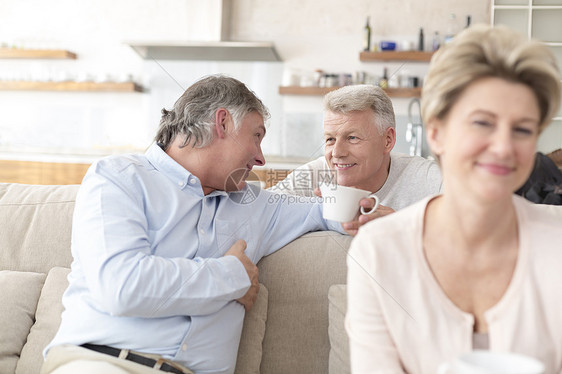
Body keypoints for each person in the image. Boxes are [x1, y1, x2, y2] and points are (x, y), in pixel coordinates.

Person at [41, 75, 371, 374]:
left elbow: (323, 211)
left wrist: (364, 210)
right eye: (256, 136)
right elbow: (122, 288)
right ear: (222, 122)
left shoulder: (254, 203)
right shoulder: (119, 178)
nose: (260, 158)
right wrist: (233, 276)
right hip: (103, 362)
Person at [345, 24, 562, 374]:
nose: (504, 147)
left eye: (522, 129)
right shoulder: (379, 253)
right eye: (482, 123)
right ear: (436, 133)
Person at [270, 84, 442, 223]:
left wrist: (402, 226)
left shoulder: (429, 178)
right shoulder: (313, 177)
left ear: (387, 140)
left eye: (352, 138)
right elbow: (257, 211)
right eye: (330, 139)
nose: (337, 153)